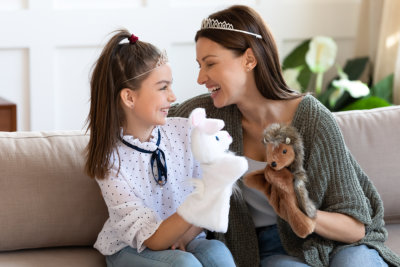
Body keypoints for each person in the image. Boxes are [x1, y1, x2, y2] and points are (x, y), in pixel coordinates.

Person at [169, 5, 400, 267]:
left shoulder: (312, 119)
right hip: (267, 249)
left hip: (338, 242)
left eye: (210, 63)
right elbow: (151, 115)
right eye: (199, 65)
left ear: (249, 59)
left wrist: (298, 212)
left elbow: (355, 228)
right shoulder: (208, 113)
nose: (201, 77)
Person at [84, 29, 236, 267]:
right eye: (163, 87)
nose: (173, 96)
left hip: (185, 236)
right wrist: (191, 214)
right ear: (129, 98)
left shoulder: (185, 131)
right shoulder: (110, 161)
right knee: (184, 265)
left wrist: (184, 234)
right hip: (131, 248)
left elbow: (211, 195)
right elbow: (153, 240)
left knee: (218, 253)